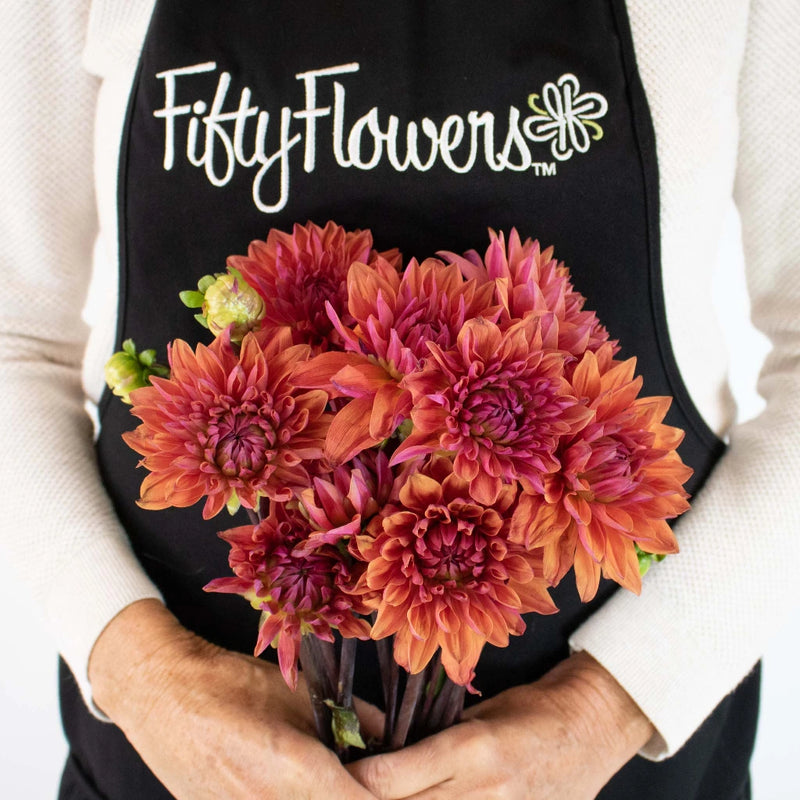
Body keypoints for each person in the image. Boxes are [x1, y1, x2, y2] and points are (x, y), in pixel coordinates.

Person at [1, 1, 797, 798]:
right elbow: (14, 336)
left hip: (619, 770)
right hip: (165, 766)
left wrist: (610, 705)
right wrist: (143, 674)